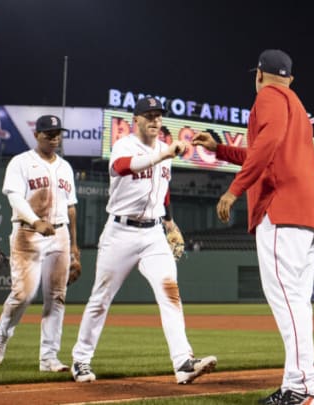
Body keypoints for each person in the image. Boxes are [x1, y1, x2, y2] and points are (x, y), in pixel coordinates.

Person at [192, 49, 314, 405]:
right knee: (297, 302)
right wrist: (221, 149)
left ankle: (302, 389)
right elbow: (265, 151)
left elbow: (266, 145)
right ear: (290, 77)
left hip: (282, 210)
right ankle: (303, 384)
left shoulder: (268, 96)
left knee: (287, 302)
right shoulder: (294, 102)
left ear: (258, 75)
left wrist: (234, 190)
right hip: (307, 212)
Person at [71, 97, 217, 385]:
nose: (155, 121)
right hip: (120, 232)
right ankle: (80, 360)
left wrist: (169, 221)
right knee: (101, 298)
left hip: (153, 235)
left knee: (170, 293)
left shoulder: (165, 150)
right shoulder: (125, 145)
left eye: (158, 116)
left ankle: (183, 362)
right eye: (148, 116)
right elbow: (125, 167)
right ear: (136, 119)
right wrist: (162, 156)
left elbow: (162, 191)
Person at [0, 114, 79, 372]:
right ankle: (2, 334)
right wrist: (35, 220)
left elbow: (71, 208)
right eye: (49, 133)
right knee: (24, 294)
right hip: (27, 232)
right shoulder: (21, 162)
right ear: (37, 135)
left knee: (57, 297)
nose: (54, 137)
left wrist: (74, 246)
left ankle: (49, 357)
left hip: (60, 233)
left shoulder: (65, 167)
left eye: (57, 133)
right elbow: (15, 198)